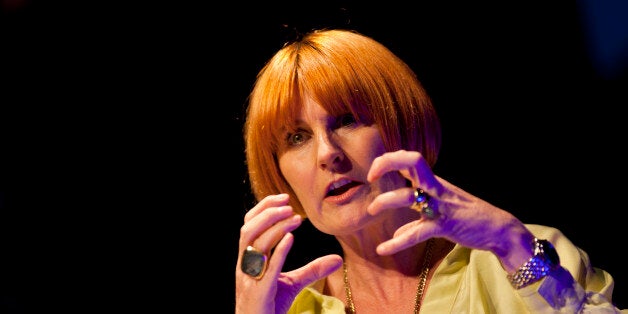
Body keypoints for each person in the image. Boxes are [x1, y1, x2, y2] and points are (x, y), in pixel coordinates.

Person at [235, 28, 626, 313]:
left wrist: (511, 243)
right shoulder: (291, 309)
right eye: (297, 137)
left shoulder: (524, 257)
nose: (327, 153)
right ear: (279, 171)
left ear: (401, 127)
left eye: (347, 120)